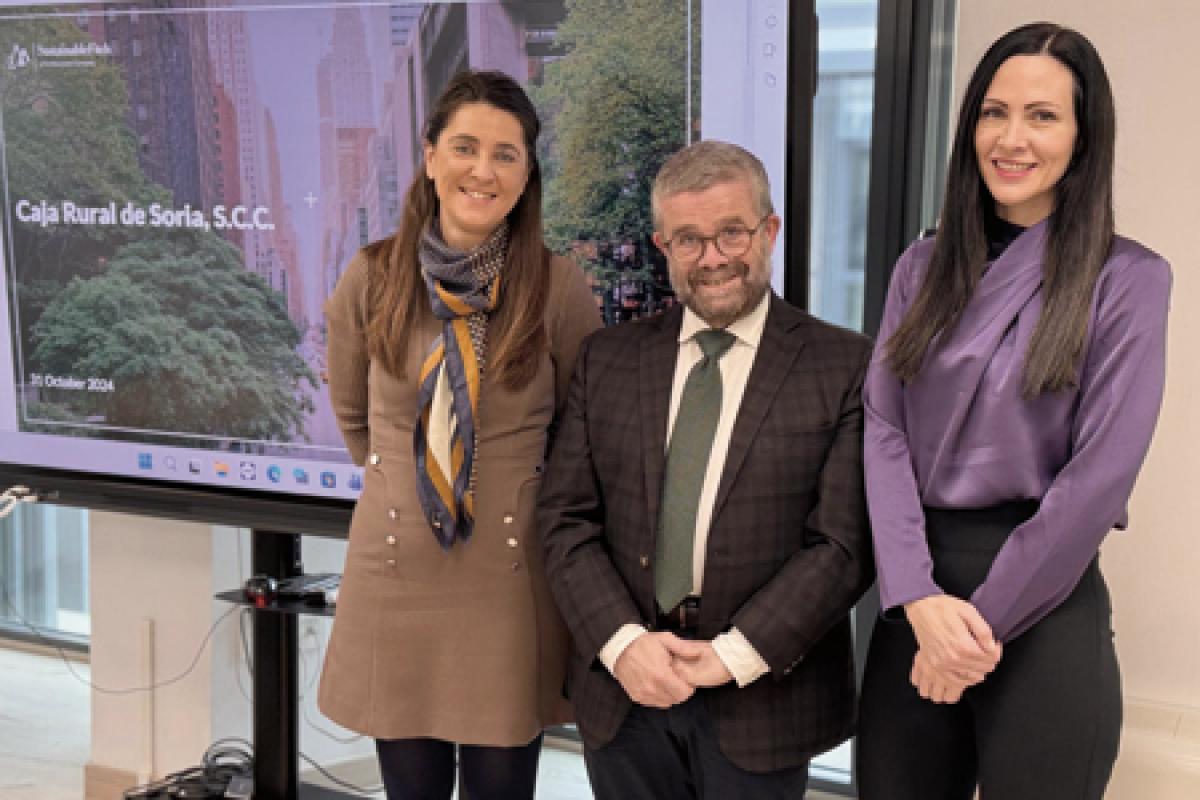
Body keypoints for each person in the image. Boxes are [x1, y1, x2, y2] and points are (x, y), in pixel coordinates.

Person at [857, 22, 1172, 800]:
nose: (1011, 137)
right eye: (993, 112)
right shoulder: (921, 266)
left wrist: (974, 629)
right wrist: (918, 599)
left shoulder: (1127, 278)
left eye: (1042, 115)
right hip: (916, 588)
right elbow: (884, 427)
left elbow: (1098, 479)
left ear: (1083, 134)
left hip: (1042, 595)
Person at [539, 140, 874, 799]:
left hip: (761, 697)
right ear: (663, 246)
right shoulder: (605, 360)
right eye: (689, 239)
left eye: (731, 233)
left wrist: (733, 655)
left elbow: (842, 544)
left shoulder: (844, 366)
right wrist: (622, 641)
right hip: (626, 691)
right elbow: (564, 519)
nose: (713, 258)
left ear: (769, 230)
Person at [317, 69, 600, 800]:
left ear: (527, 171)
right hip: (394, 573)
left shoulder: (557, 286)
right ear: (431, 155)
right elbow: (354, 415)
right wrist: (409, 492)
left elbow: (582, 434)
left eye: (506, 154)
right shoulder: (373, 274)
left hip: (505, 585)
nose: (484, 169)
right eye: (466, 147)